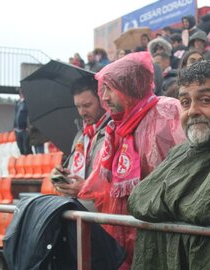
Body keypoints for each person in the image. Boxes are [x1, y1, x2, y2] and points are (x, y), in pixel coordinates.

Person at [127, 61, 210, 270]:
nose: (192, 111)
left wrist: (166, 202)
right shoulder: (181, 150)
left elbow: (207, 206)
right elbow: (138, 200)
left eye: (205, 100)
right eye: (185, 102)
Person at [76, 52, 186, 270]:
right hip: (121, 241)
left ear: (129, 87)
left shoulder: (166, 114)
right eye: (103, 89)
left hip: (159, 240)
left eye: (110, 89)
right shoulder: (114, 130)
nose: (104, 98)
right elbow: (106, 190)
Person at [52, 76, 108, 199]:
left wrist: (86, 188)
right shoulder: (80, 136)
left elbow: (116, 185)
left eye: (87, 105)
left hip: (99, 214)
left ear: (102, 101)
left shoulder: (113, 134)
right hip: (78, 210)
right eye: (78, 106)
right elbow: (76, 175)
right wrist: (63, 177)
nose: (82, 112)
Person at [13, 88, 32, 155]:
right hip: (18, 129)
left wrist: (28, 127)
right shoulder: (18, 103)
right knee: (20, 147)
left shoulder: (27, 103)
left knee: (26, 147)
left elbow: (29, 116)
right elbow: (15, 115)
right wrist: (14, 126)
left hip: (25, 129)